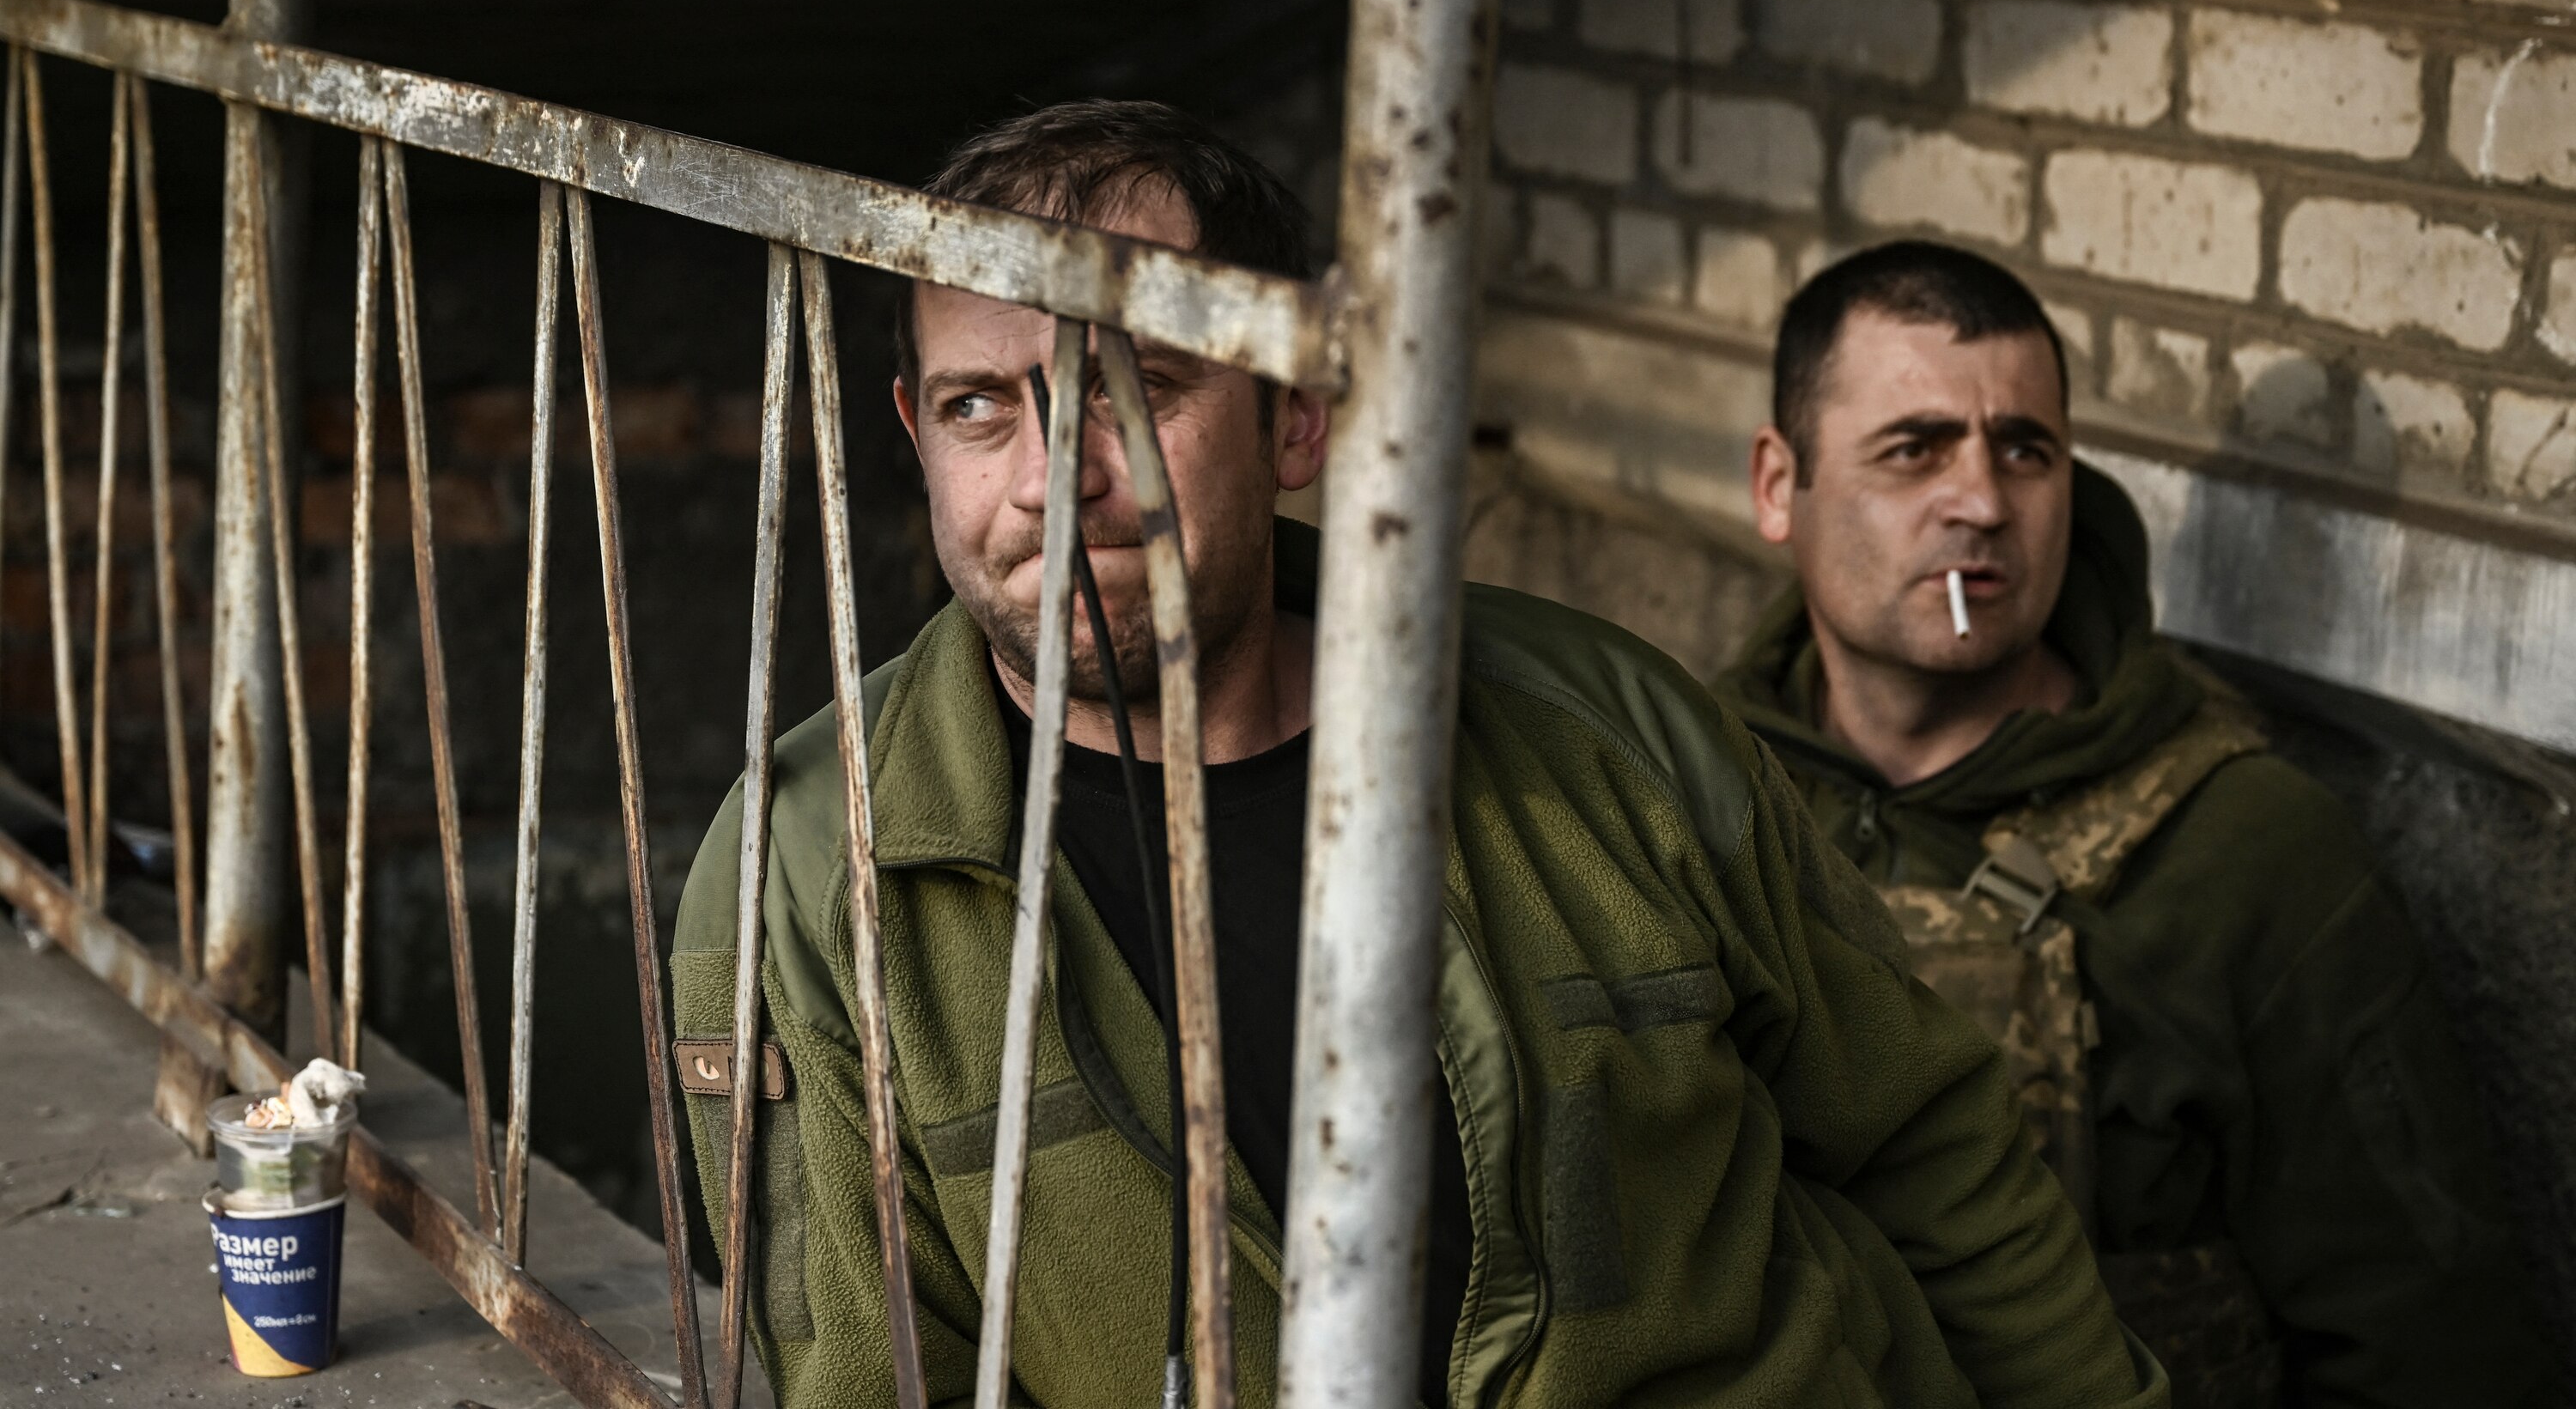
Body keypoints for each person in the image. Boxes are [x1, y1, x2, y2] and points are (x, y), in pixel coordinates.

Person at [669, 103, 2165, 1409]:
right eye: (981, 408)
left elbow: (1927, 1147)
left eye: (1147, 389)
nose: (1059, 484)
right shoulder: (815, 864)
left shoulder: (1608, 730)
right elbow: (860, 1377)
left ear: (1299, 415)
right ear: (914, 436)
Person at [1709, 241, 2560, 1408]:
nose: (1981, 503)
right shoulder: (1684, 791)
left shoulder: (2248, 855)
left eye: (2026, 449)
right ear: (1777, 486)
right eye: (1914, 451)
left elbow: (2432, 1348)